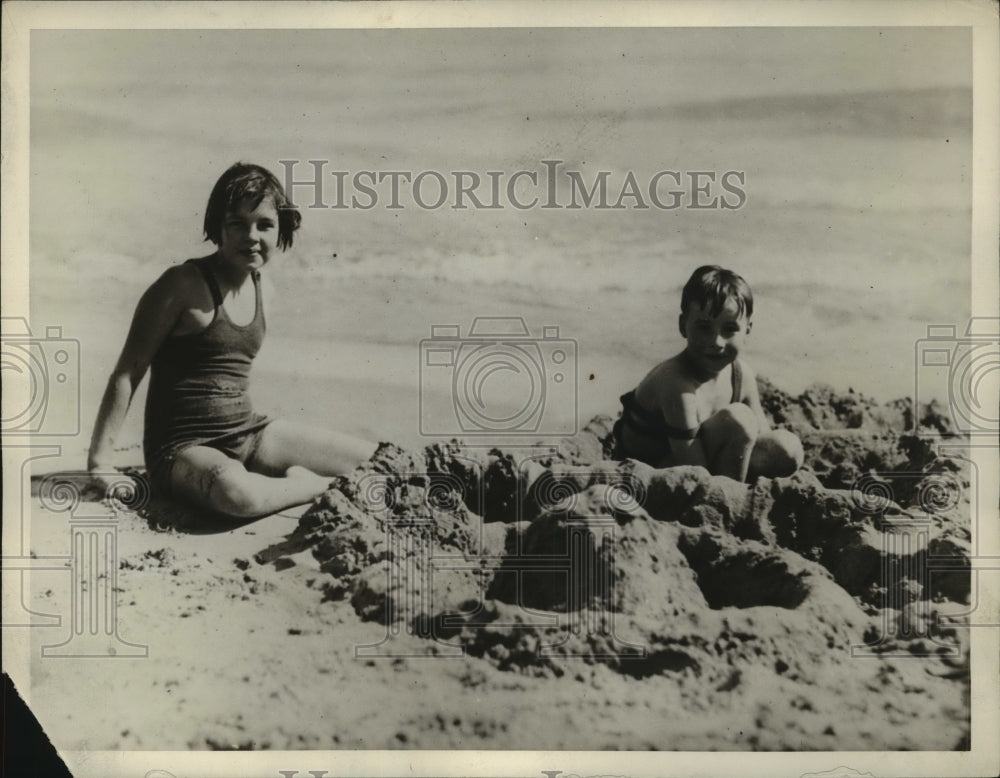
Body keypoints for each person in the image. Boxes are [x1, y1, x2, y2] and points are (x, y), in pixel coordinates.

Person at [87, 162, 375, 518]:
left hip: (248, 433)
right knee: (239, 496)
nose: (251, 236)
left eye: (265, 225)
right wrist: (100, 464)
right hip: (182, 450)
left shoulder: (264, 288)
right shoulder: (181, 284)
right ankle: (312, 485)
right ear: (217, 228)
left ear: (281, 229)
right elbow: (128, 373)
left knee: (377, 460)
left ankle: (289, 480)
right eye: (237, 223)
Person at [613, 265, 803, 482]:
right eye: (704, 327)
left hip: (700, 464)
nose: (716, 342)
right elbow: (694, 472)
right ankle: (731, 501)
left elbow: (762, 438)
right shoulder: (675, 382)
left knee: (787, 448)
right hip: (652, 477)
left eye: (729, 329)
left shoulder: (740, 374)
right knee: (739, 421)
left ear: (747, 330)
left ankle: (734, 492)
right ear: (683, 326)